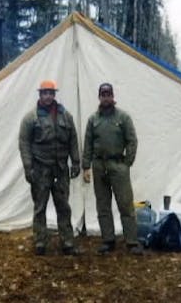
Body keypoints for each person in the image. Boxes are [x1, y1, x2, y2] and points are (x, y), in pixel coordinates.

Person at [19, 80, 81, 256]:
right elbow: (24, 143)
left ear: (54, 95)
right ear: (40, 95)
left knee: (64, 207)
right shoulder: (30, 118)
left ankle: (67, 241)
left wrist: (75, 162)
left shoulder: (65, 116)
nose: (47, 96)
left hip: (61, 169)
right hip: (40, 169)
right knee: (40, 207)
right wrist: (28, 167)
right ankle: (40, 241)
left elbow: (73, 139)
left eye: (50, 93)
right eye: (44, 93)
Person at [82, 83, 143, 255]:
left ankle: (131, 241)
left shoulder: (123, 117)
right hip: (99, 165)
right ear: (99, 97)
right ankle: (108, 240)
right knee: (103, 205)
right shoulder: (93, 120)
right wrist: (86, 166)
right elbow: (87, 144)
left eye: (109, 94)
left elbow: (132, 140)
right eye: (103, 94)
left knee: (125, 204)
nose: (106, 97)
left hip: (118, 165)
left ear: (113, 96)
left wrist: (127, 163)